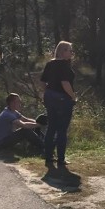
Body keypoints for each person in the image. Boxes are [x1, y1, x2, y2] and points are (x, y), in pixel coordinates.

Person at [41, 40, 78, 182]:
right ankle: (61, 159)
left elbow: (43, 82)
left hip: (49, 96)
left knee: (51, 127)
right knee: (62, 129)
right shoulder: (64, 65)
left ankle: (48, 155)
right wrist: (73, 97)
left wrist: (48, 93)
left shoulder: (50, 63)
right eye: (69, 50)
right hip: (62, 99)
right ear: (62, 51)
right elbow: (65, 83)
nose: (71, 53)